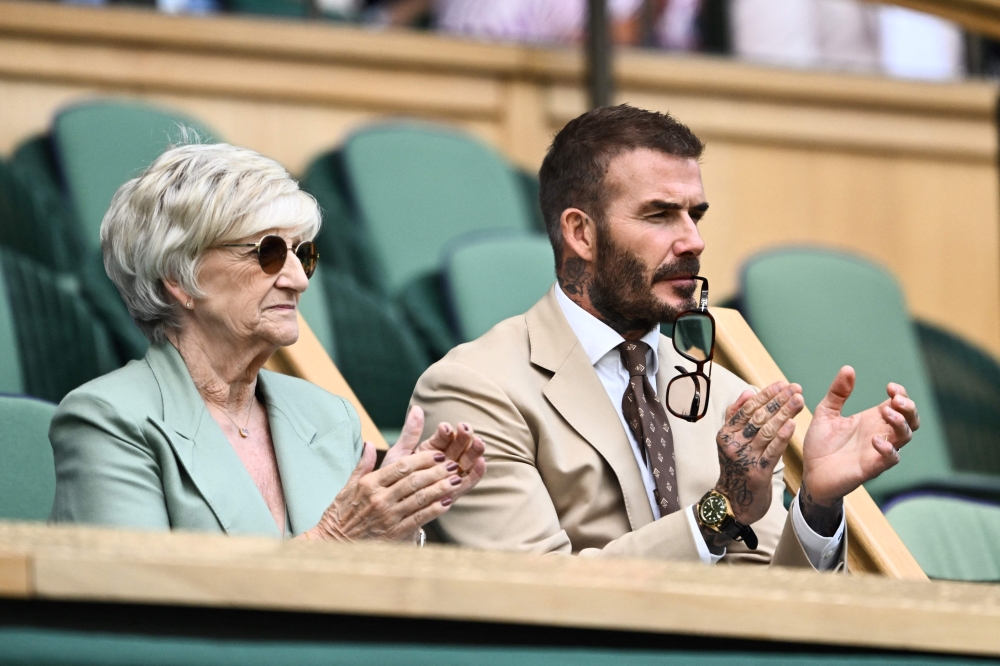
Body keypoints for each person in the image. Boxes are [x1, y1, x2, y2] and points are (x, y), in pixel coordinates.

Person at [411, 105, 919, 568]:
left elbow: (770, 608)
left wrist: (818, 502)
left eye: (694, 215)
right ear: (580, 233)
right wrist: (720, 513)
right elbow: (538, 593)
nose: (693, 241)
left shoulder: (721, 391)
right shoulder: (474, 387)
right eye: (660, 214)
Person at [49, 142, 485, 542]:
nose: (298, 280)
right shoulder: (108, 421)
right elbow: (135, 608)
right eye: (269, 253)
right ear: (179, 278)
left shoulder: (330, 417)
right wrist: (336, 540)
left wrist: (396, 523)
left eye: (304, 254)